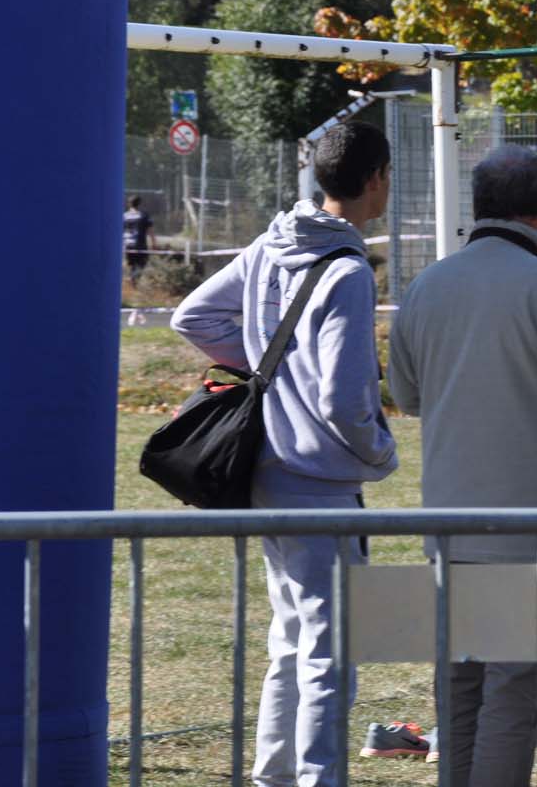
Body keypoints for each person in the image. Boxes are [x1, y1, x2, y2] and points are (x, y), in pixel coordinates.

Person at [387, 144, 537, 787]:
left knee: (459, 688)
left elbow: (406, 398)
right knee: (512, 695)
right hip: (536, 525)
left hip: (448, 517)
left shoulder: (424, 287)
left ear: (478, 207)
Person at [171, 122, 399, 787]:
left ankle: (275, 775)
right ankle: (313, 778)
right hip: (321, 480)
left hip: (266, 469)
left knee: (291, 642)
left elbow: (194, 317)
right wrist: (380, 453)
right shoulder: (349, 270)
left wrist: (268, 369)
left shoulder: (273, 244)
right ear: (378, 179)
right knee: (330, 653)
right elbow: (343, 401)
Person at [123, 195, 157, 286]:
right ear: (139, 204)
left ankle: (133, 281)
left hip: (128, 245)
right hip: (140, 244)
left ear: (129, 204)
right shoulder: (143, 215)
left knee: (132, 265)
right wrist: (154, 243)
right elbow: (151, 231)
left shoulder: (125, 216)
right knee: (142, 264)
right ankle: (134, 280)